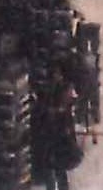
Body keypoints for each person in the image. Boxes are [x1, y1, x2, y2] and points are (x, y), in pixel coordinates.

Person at [31, 61, 82, 190]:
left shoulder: (61, 89)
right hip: (52, 130)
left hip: (56, 131)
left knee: (55, 164)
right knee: (53, 165)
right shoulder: (57, 89)